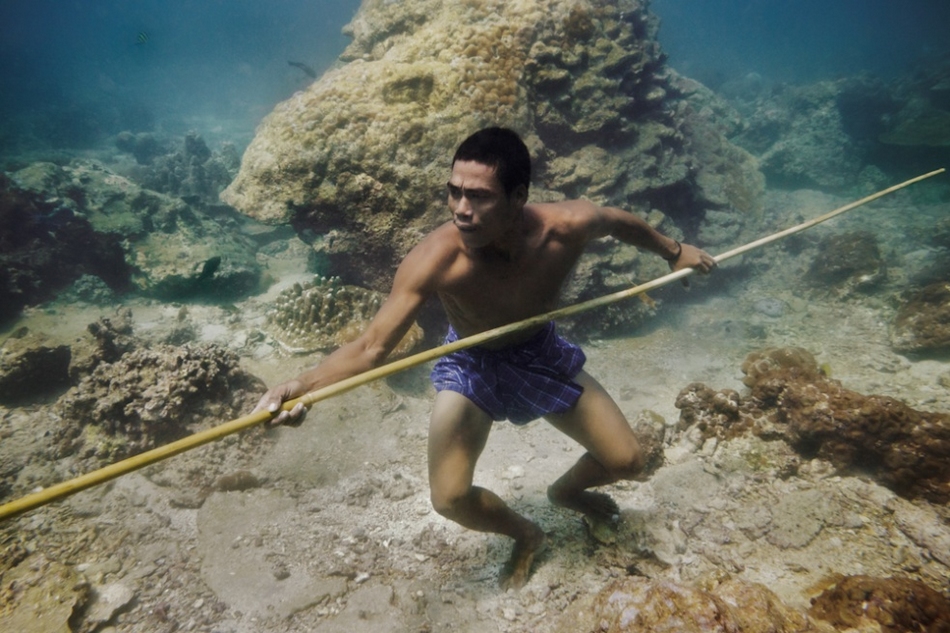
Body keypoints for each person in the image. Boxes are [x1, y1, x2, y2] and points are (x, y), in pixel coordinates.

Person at [254, 127, 716, 589]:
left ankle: (566, 492)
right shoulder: (435, 257)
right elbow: (372, 347)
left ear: (518, 197)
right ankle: (526, 533)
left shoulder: (567, 226)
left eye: (477, 196)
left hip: (539, 352)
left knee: (629, 462)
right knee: (449, 499)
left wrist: (674, 252)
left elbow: (618, 221)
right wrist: (304, 387)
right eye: (453, 192)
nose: (460, 209)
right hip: (472, 363)